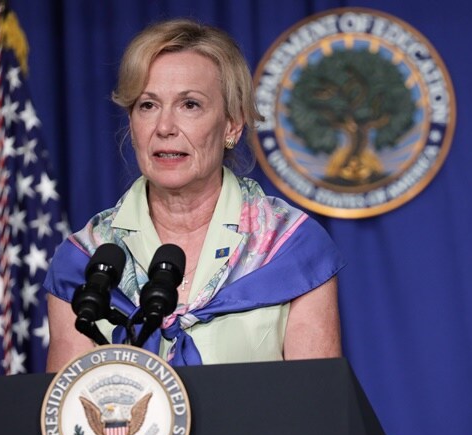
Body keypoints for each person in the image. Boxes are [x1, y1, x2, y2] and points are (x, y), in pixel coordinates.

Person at [44, 18, 345, 372]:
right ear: (132, 123)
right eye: (148, 105)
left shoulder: (291, 246)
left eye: (190, 105)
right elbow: (66, 415)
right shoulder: (87, 260)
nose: (165, 128)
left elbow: (315, 411)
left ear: (232, 125)